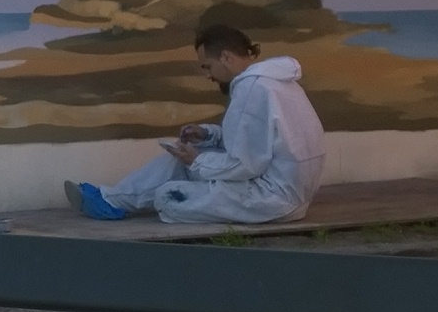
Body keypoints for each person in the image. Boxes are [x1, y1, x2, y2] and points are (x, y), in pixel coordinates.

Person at [70, 25, 325, 225]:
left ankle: (112, 201)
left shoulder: (252, 89)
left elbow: (245, 165)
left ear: (225, 57)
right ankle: (111, 199)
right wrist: (207, 135)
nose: (208, 75)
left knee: (168, 197)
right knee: (181, 160)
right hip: (284, 191)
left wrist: (197, 160)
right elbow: (258, 142)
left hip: (272, 199)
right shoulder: (276, 81)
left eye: (208, 66)